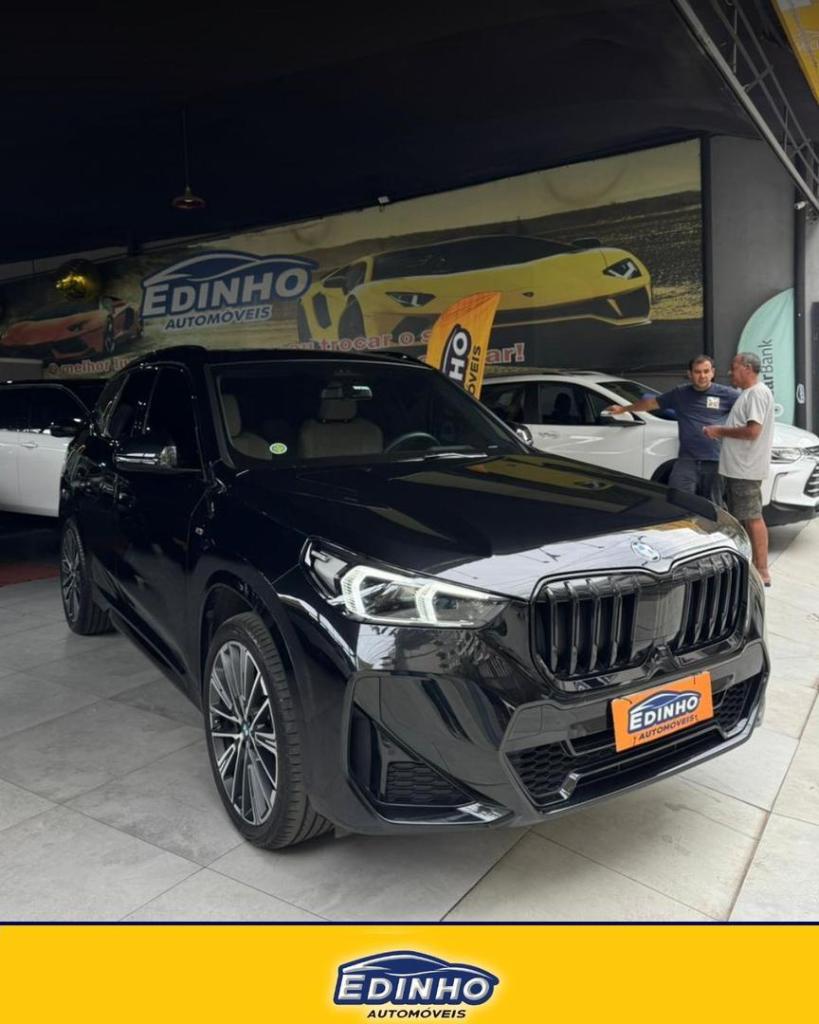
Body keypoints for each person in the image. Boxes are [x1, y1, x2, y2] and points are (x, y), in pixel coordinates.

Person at [605, 355, 738, 504]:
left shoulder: (727, 394)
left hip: (715, 460)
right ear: (689, 374)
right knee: (678, 500)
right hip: (687, 460)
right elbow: (651, 404)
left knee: (713, 505)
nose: (702, 376)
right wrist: (623, 409)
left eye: (706, 371)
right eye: (697, 372)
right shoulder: (680, 394)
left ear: (713, 372)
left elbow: (747, 410)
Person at [703, 352, 774, 586]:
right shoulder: (749, 394)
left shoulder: (756, 394)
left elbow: (753, 431)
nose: (729, 372)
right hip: (739, 469)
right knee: (744, 517)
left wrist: (719, 431)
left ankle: (762, 571)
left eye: (733, 367)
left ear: (747, 368)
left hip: (746, 469)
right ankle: (752, 566)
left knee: (752, 517)